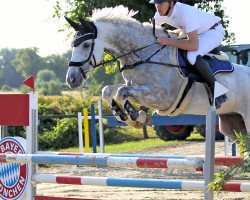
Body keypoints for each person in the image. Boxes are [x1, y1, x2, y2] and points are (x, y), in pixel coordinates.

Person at [149, 0, 227, 108]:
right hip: (194, 32)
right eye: (156, 3)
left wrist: (169, 41)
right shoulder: (160, 14)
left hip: (212, 31)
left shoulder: (185, 13)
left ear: (171, 3)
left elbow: (193, 46)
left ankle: (217, 91)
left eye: (161, 3)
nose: (157, 6)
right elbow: (150, 31)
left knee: (192, 56)